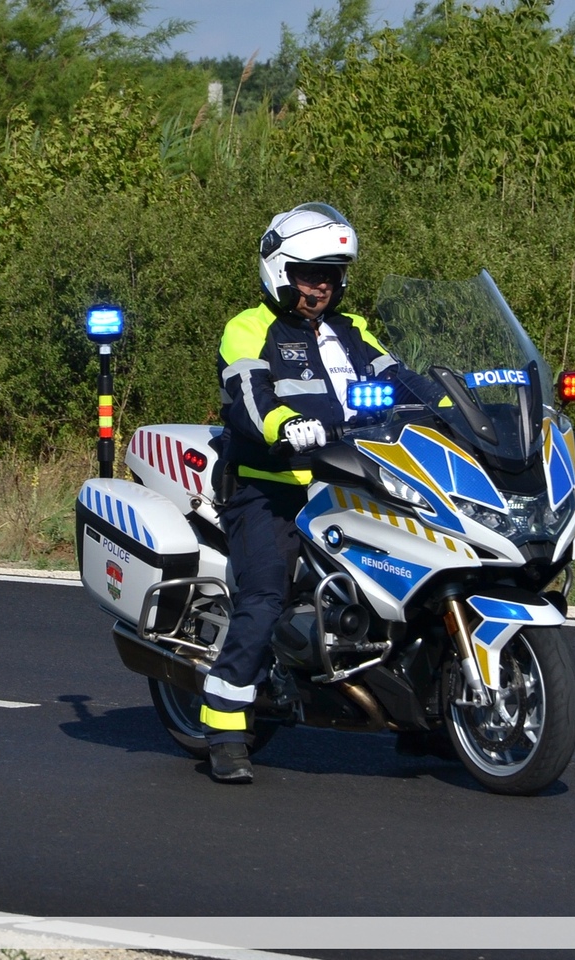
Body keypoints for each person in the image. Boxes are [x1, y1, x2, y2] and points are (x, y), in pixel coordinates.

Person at [208, 203, 410, 784]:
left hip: (350, 483)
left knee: (407, 577)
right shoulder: (249, 327)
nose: (320, 286)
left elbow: (398, 380)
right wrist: (283, 426)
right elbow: (248, 396)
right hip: (270, 491)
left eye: (330, 275)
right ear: (280, 270)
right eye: (308, 274)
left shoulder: (352, 331)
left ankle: (432, 717)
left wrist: (457, 407)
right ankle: (224, 727)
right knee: (265, 594)